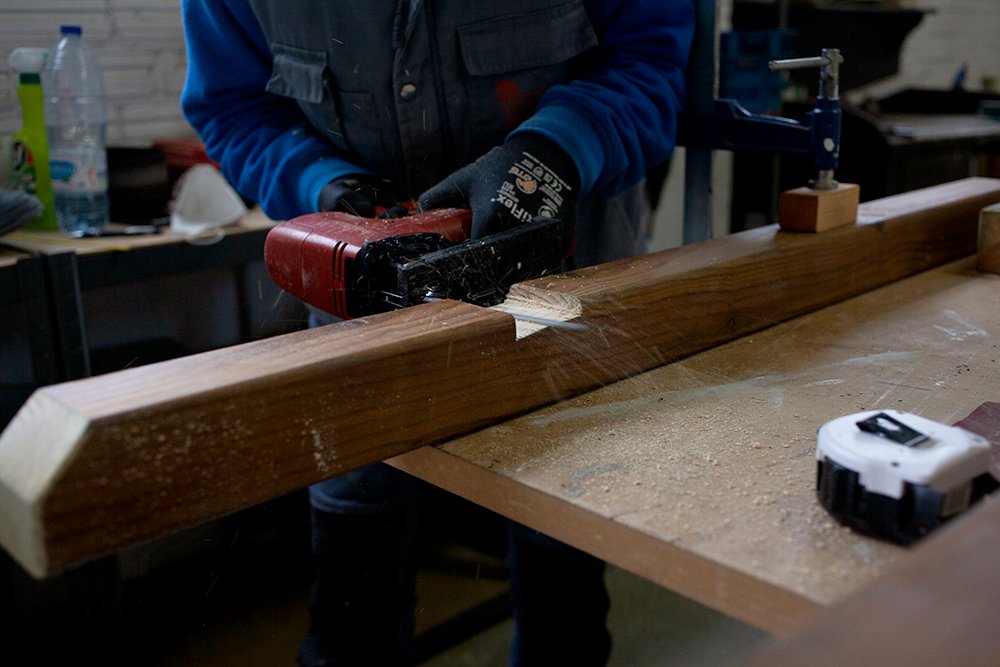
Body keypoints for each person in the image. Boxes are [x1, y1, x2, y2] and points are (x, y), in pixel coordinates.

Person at [180, 2, 693, 665]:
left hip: (558, 296)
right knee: (350, 609)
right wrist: (327, 189)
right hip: (360, 315)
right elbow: (232, 108)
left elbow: (648, 64)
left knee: (562, 608)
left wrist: (550, 154)